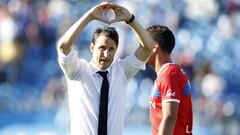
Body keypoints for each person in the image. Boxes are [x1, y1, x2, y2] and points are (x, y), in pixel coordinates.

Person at [57, 2, 154, 135]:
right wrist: (89, 16)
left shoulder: (122, 71)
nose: (106, 54)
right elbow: (63, 46)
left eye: (111, 49)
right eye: (102, 48)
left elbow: (148, 47)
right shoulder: (76, 70)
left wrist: (130, 19)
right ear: (92, 47)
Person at [146, 25, 193, 135]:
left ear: (154, 47)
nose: (140, 50)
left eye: (142, 45)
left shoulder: (170, 73)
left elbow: (169, 117)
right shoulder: (166, 74)